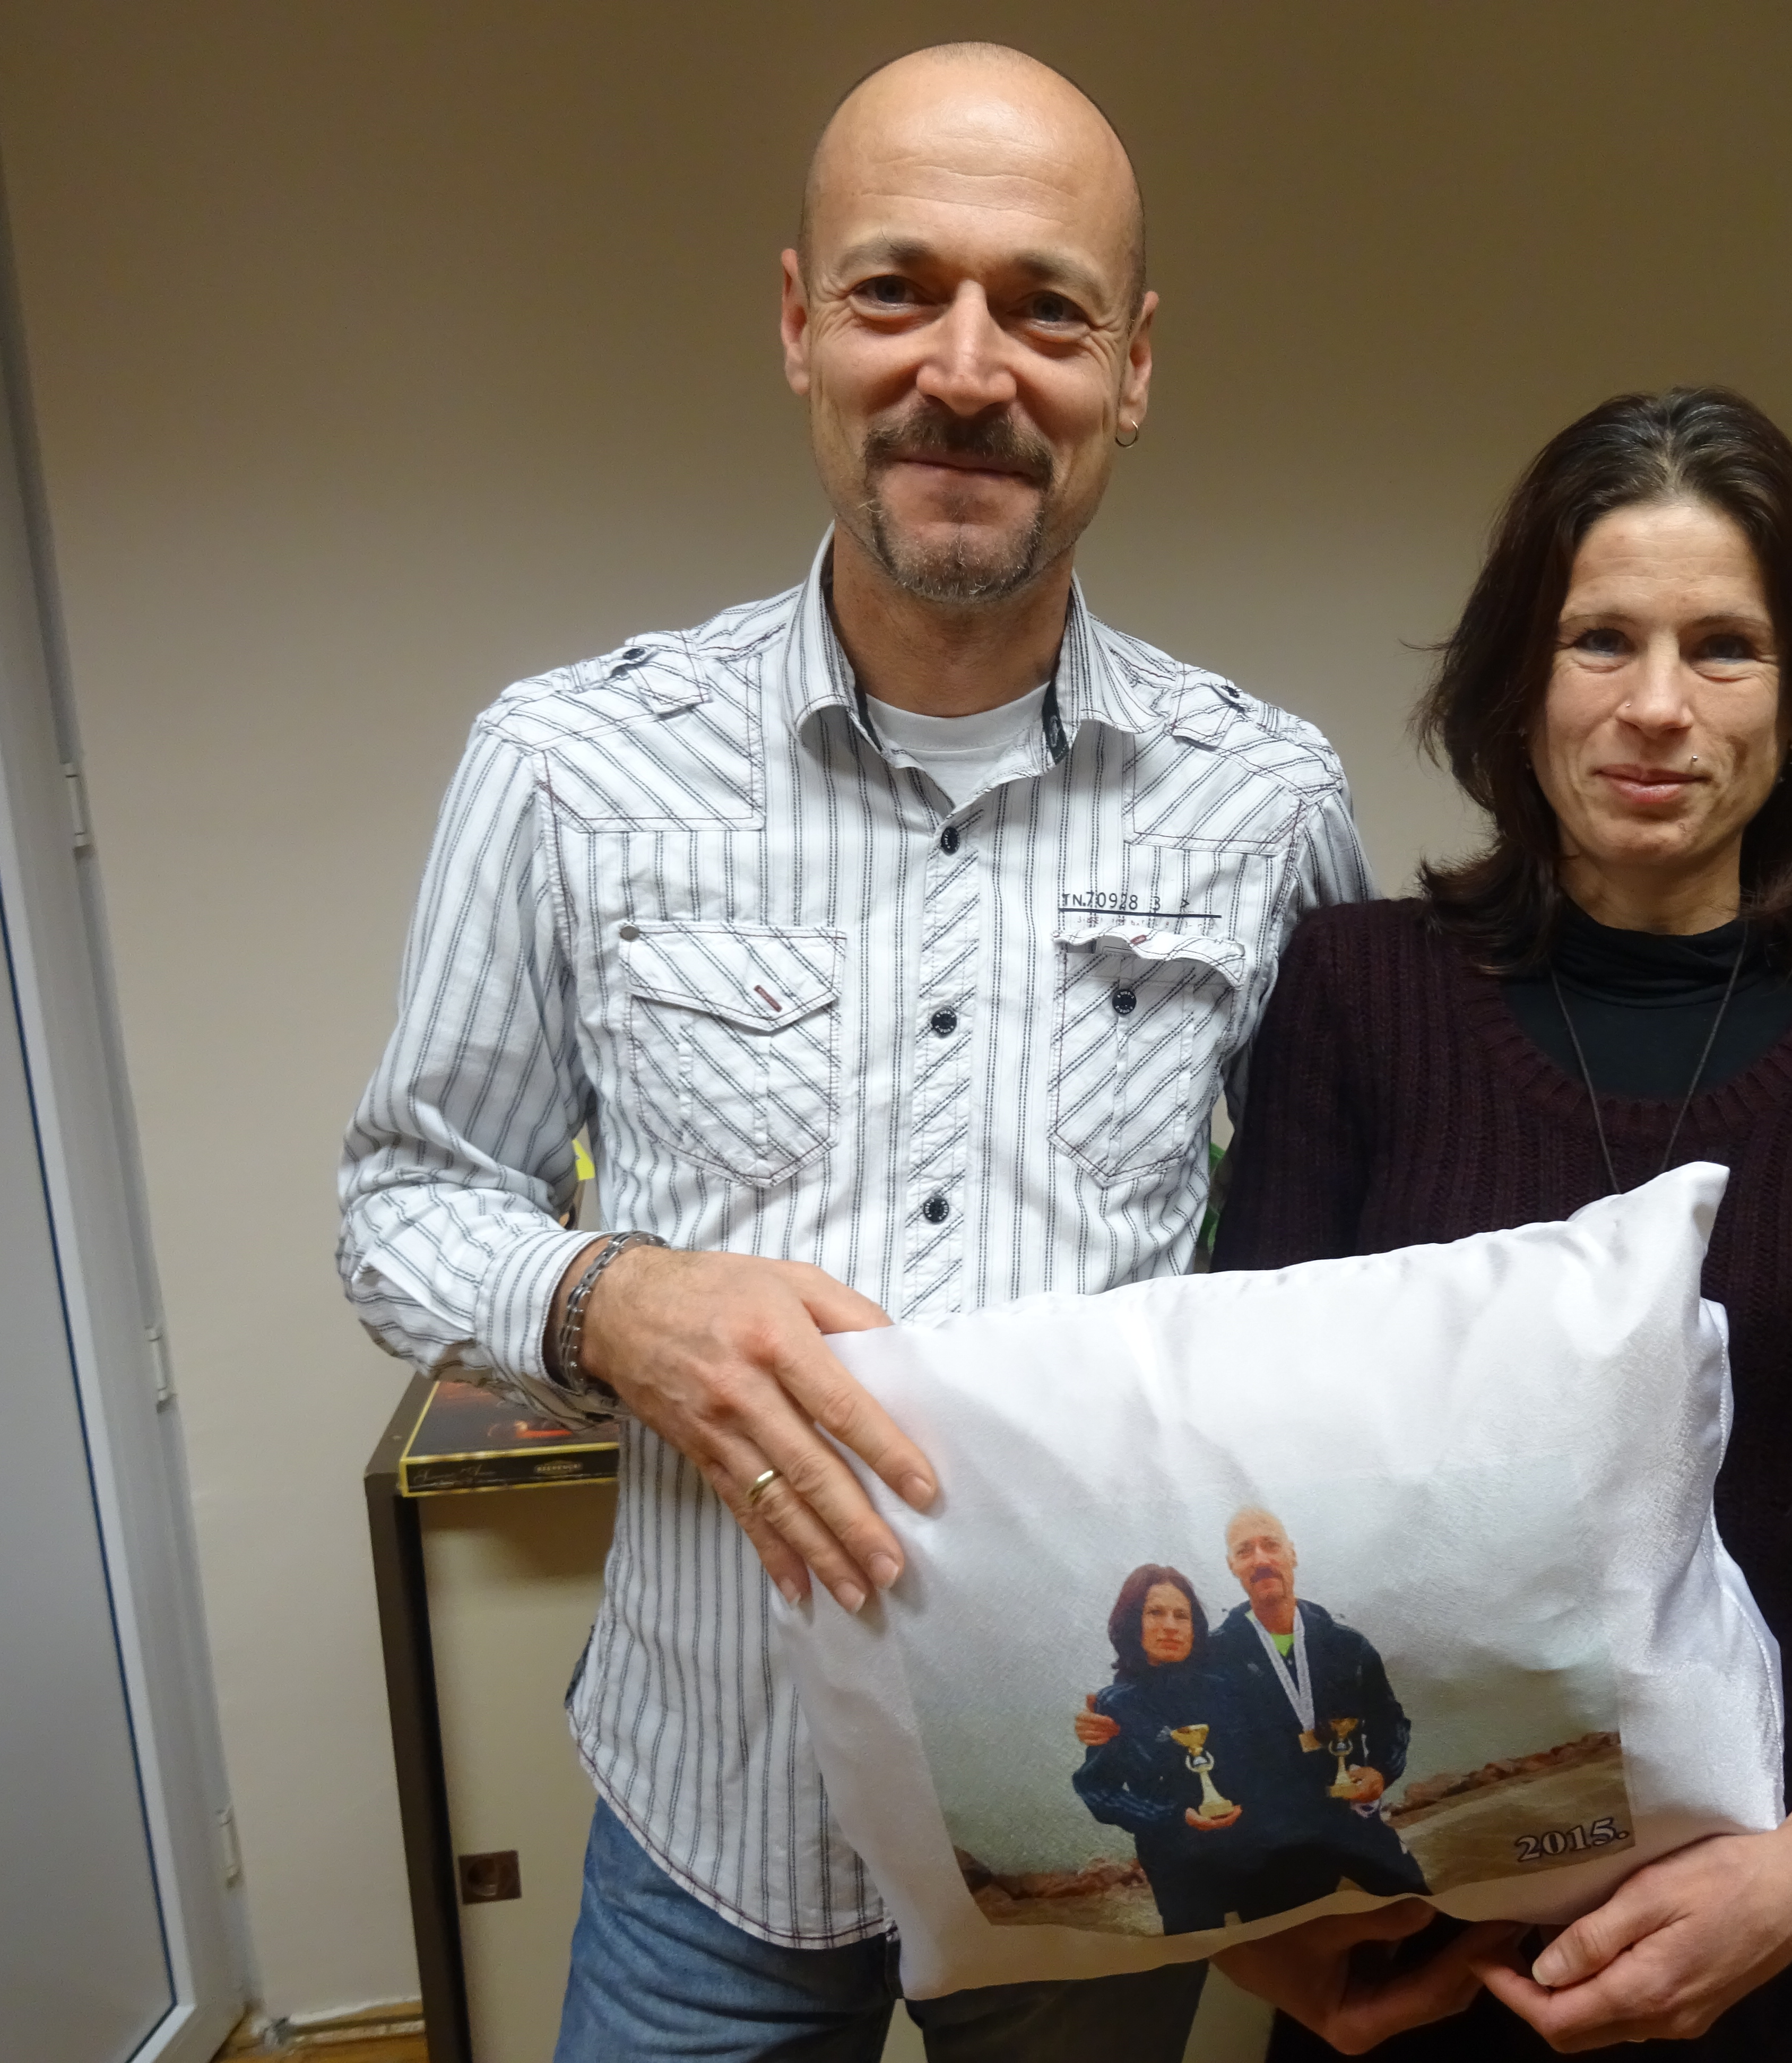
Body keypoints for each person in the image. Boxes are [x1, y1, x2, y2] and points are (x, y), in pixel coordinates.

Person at [335, 42, 1382, 2062]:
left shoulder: (1267, 800)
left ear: (1132, 367)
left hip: (1100, 1812)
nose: (967, 372)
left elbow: (1335, 1269)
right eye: (899, 290)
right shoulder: (565, 766)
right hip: (714, 1817)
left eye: (1046, 311)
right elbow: (401, 1203)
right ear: (801, 324)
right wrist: (615, 1300)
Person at [1208, 387, 1792, 2058]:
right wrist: (1266, 1921)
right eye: (1601, 639)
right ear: (1518, 686)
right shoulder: (1358, 999)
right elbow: (1237, 1463)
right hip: (1416, 1932)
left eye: (1724, 648)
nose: (1657, 707)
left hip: (1780, 1929)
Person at [1079, 1506, 1426, 1917]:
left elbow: (1389, 1719)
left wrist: (1381, 1771)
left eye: (1271, 1545)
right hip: (1277, 1841)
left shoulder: (1348, 1647)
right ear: (1232, 1565)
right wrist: (1107, 1714)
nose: (1260, 1559)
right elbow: (1158, 1684)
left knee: (1425, 1913)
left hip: (1351, 1817)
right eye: (1245, 1551)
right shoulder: (1215, 1654)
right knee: (1302, 1942)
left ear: (1292, 1553)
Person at [1070, 1565, 1250, 1934]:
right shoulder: (1116, 1706)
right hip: (1175, 1862)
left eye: (1181, 1616)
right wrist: (1169, 1817)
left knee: (1275, 1946)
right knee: (1196, 1952)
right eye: (1155, 1612)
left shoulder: (1228, 1689)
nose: (1170, 1626)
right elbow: (1096, 1789)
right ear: (1132, 1623)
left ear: (1195, 1627)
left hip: (1251, 1849)